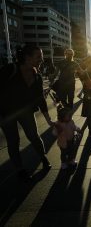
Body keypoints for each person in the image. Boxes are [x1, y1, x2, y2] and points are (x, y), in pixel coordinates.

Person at [0, 45, 53, 181]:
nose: (41, 60)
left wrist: (48, 119)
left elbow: (40, 99)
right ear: (27, 58)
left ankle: (43, 157)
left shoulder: (37, 77)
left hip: (26, 112)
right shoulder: (10, 70)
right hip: (6, 114)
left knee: (34, 136)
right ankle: (19, 169)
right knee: (13, 141)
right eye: (38, 57)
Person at [52, 105, 81, 170]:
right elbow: (54, 133)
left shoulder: (71, 121)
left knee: (71, 151)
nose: (70, 117)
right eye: (69, 116)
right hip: (63, 142)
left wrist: (77, 129)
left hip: (71, 140)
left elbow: (74, 127)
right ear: (62, 117)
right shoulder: (58, 124)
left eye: (71, 115)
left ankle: (71, 160)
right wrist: (57, 131)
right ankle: (63, 163)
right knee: (63, 153)